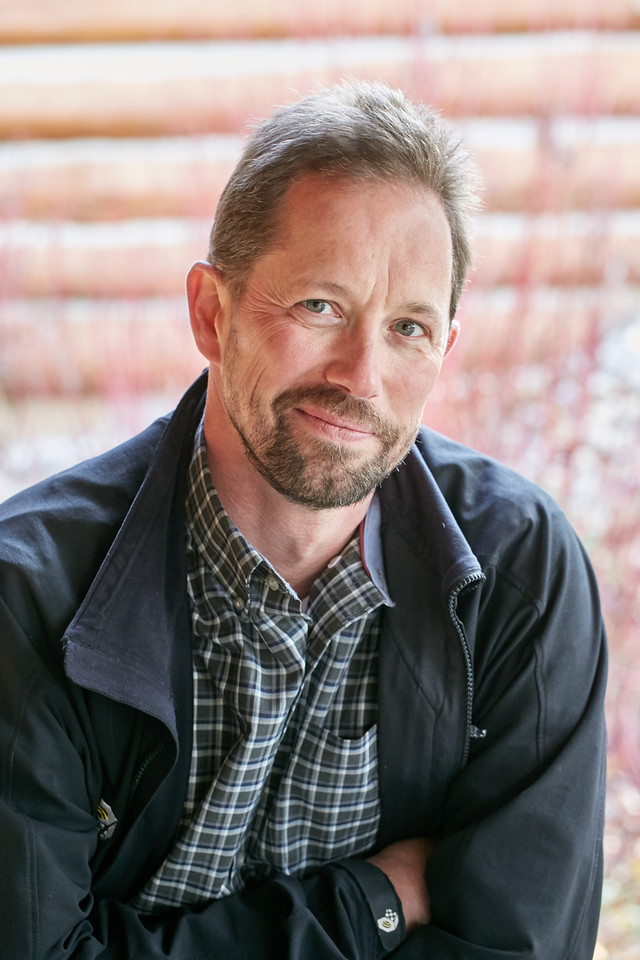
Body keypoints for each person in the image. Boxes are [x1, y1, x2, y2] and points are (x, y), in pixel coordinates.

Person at [0, 80, 607, 960]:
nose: (362, 377)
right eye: (321, 306)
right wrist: (372, 903)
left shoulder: (520, 577)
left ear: (445, 349)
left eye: (408, 329)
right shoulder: (29, 601)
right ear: (212, 314)